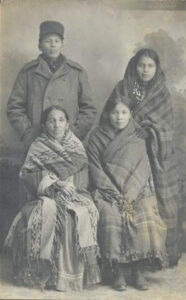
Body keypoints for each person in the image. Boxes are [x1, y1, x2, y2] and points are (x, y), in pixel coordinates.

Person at [4, 105, 100, 292]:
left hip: (74, 192)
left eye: (61, 120)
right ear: (44, 125)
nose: (57, 125)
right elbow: (27, 174)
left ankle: (71, 279)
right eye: (51, 120)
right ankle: (43, 274)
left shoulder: (76, 145)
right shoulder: (38, 146)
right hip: (45, 194)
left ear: (67, 123)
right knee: (48, 211)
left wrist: (71, 186)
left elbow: (84, 172)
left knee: (82, 212)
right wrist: (54, 185)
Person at [106, 48, 181, 267]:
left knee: (159, 201)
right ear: (133, 65)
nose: (145, 70)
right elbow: (109, 118)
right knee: (128, 201)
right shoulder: (123, 88)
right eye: (141, 65)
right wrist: (130, 134)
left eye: (150, 66)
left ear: (156, 68)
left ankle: (158, 254)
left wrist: (151, 130)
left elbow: (167, 126)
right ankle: (128, 256)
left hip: (155, 155)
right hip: (126, 152)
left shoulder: (162, 93)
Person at [87, 96, 167, 291]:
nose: (119, 117)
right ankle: (118, 271)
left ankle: (138, 269)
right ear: (107, 114)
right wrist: (115, 194)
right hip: (107, 191)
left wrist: (129, 195)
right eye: (115, 112)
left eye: (124, 112)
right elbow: (94, 168)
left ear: (131, 114)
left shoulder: (138, 136)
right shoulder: (97, 136)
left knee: (144, 214)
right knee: (110, 216)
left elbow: (143, 167)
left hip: (136, 190)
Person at [7, 20, 96, 151]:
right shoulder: (28, 72)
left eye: (57, 41)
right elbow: (14, 107)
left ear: (62, 45)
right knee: (38, 171)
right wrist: (28, 133)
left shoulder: (76, 72)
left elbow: (89, 108)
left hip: (68, 140)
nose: (53, 45)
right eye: (48, 41)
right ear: (39, 46)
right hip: (37, 140)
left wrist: (76, 133)